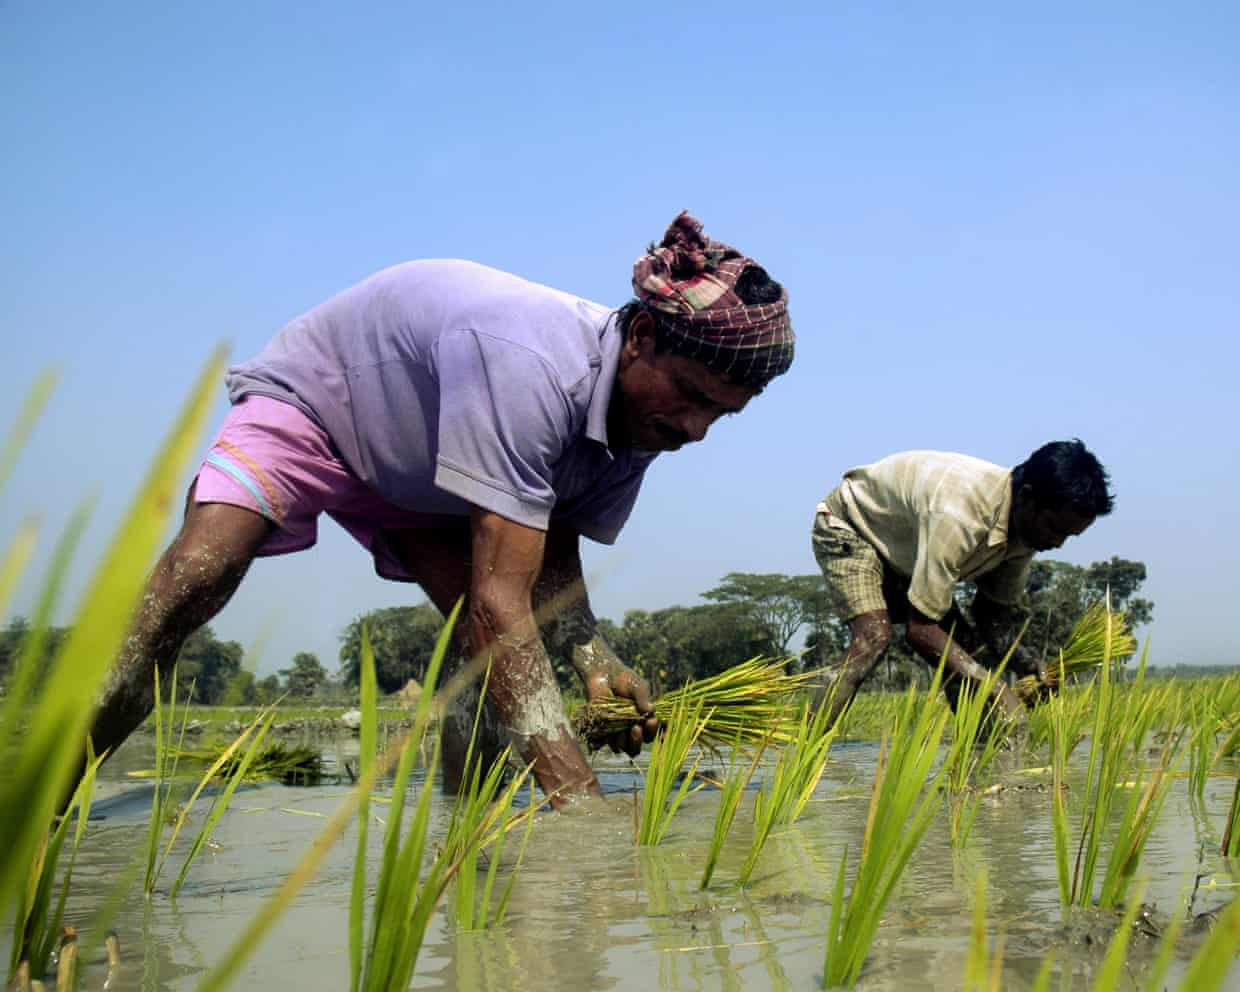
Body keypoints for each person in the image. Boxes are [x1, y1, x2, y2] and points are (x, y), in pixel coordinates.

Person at [88, 211, 796, 807]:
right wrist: (585, 812)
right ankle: (52, 785)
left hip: (431, 471)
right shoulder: (533, 367)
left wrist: (596, 665)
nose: (696, 429)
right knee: (198, 573)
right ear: (640, 339)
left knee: (481, 658)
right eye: (691, 395)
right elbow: (502, 604)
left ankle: (462, 832)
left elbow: (551, 560)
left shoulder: (644, 424)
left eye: (720, 415)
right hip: (324, 403)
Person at [811, 441, 1113, 726]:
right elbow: (920, 631)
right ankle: (803, 754)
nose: (1057, 543)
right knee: (874, 637)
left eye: (1068, 536)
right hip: (851, 526)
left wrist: (1023, 663)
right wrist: (994, 689)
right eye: (1053, 528)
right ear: (1026, 498)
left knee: (966, 649)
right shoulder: (960, 516)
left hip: (905, 549)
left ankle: (978, 760)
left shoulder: (1025, 532)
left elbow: (991, 615)